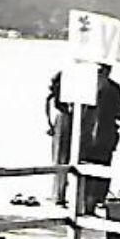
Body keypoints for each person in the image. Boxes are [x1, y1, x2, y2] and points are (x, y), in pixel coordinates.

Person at [77, 62, 120, 214]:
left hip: (86, 136)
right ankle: (94, 204)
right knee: (101, 173)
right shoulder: (113, 88)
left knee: (85, 171)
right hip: (104, 137)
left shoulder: (85, 86)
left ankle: (83, 204)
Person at [45, 69, 76, 205]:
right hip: (65, 122)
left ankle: (57, 193)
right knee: (63, 158)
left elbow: (48, 108)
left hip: (59, 122)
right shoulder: (65, 97)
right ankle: (59, 194)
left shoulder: (54, 97)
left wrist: (50, 125)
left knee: (59, 158)